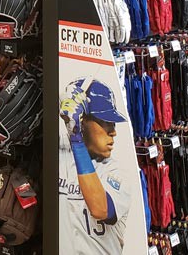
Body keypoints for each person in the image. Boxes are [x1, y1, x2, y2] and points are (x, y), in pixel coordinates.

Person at [59, 78, 133, 254]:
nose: (113, 132)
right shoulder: (59, 151)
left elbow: (100, 209)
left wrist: (76, 138)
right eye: (106, 122)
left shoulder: (117, 172)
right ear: (82, 121)